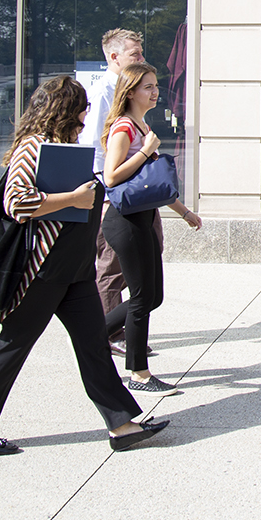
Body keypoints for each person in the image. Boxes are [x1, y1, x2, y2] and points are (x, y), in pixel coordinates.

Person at [0, 75, 169, 455]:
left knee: (94, 348)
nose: (86, 114)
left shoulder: (62, 146)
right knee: (14, 344)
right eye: (81, 107)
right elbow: (17, 204)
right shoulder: (31, 147)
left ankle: (122, 424)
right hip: (41, 270)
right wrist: (73, 197)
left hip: (74, 268)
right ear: (62, 109)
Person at [79, 29, 185, 355]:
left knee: (147, 280)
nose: (141, 59)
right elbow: (96, 153)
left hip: (141, 198)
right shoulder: (105, 97)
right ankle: (112, 337)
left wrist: (182, 210)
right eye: (135, 55)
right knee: (114, 266)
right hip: (117, 200)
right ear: (114, 57)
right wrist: (103, 193)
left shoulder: (137, 114)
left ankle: (119, 330)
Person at [100, 61, 200, 395]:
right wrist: (145, 152)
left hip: (142, 219)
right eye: (148, 87)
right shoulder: (124, 128)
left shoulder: (143, 126)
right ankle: (139, 374)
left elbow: (151, 184)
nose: (155, 92)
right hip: (124, 222)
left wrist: (184, 212)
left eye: (156, 86)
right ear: (130, 92)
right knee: (143, 298)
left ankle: (94, 336)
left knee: (152, 296)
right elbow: (111, 176)